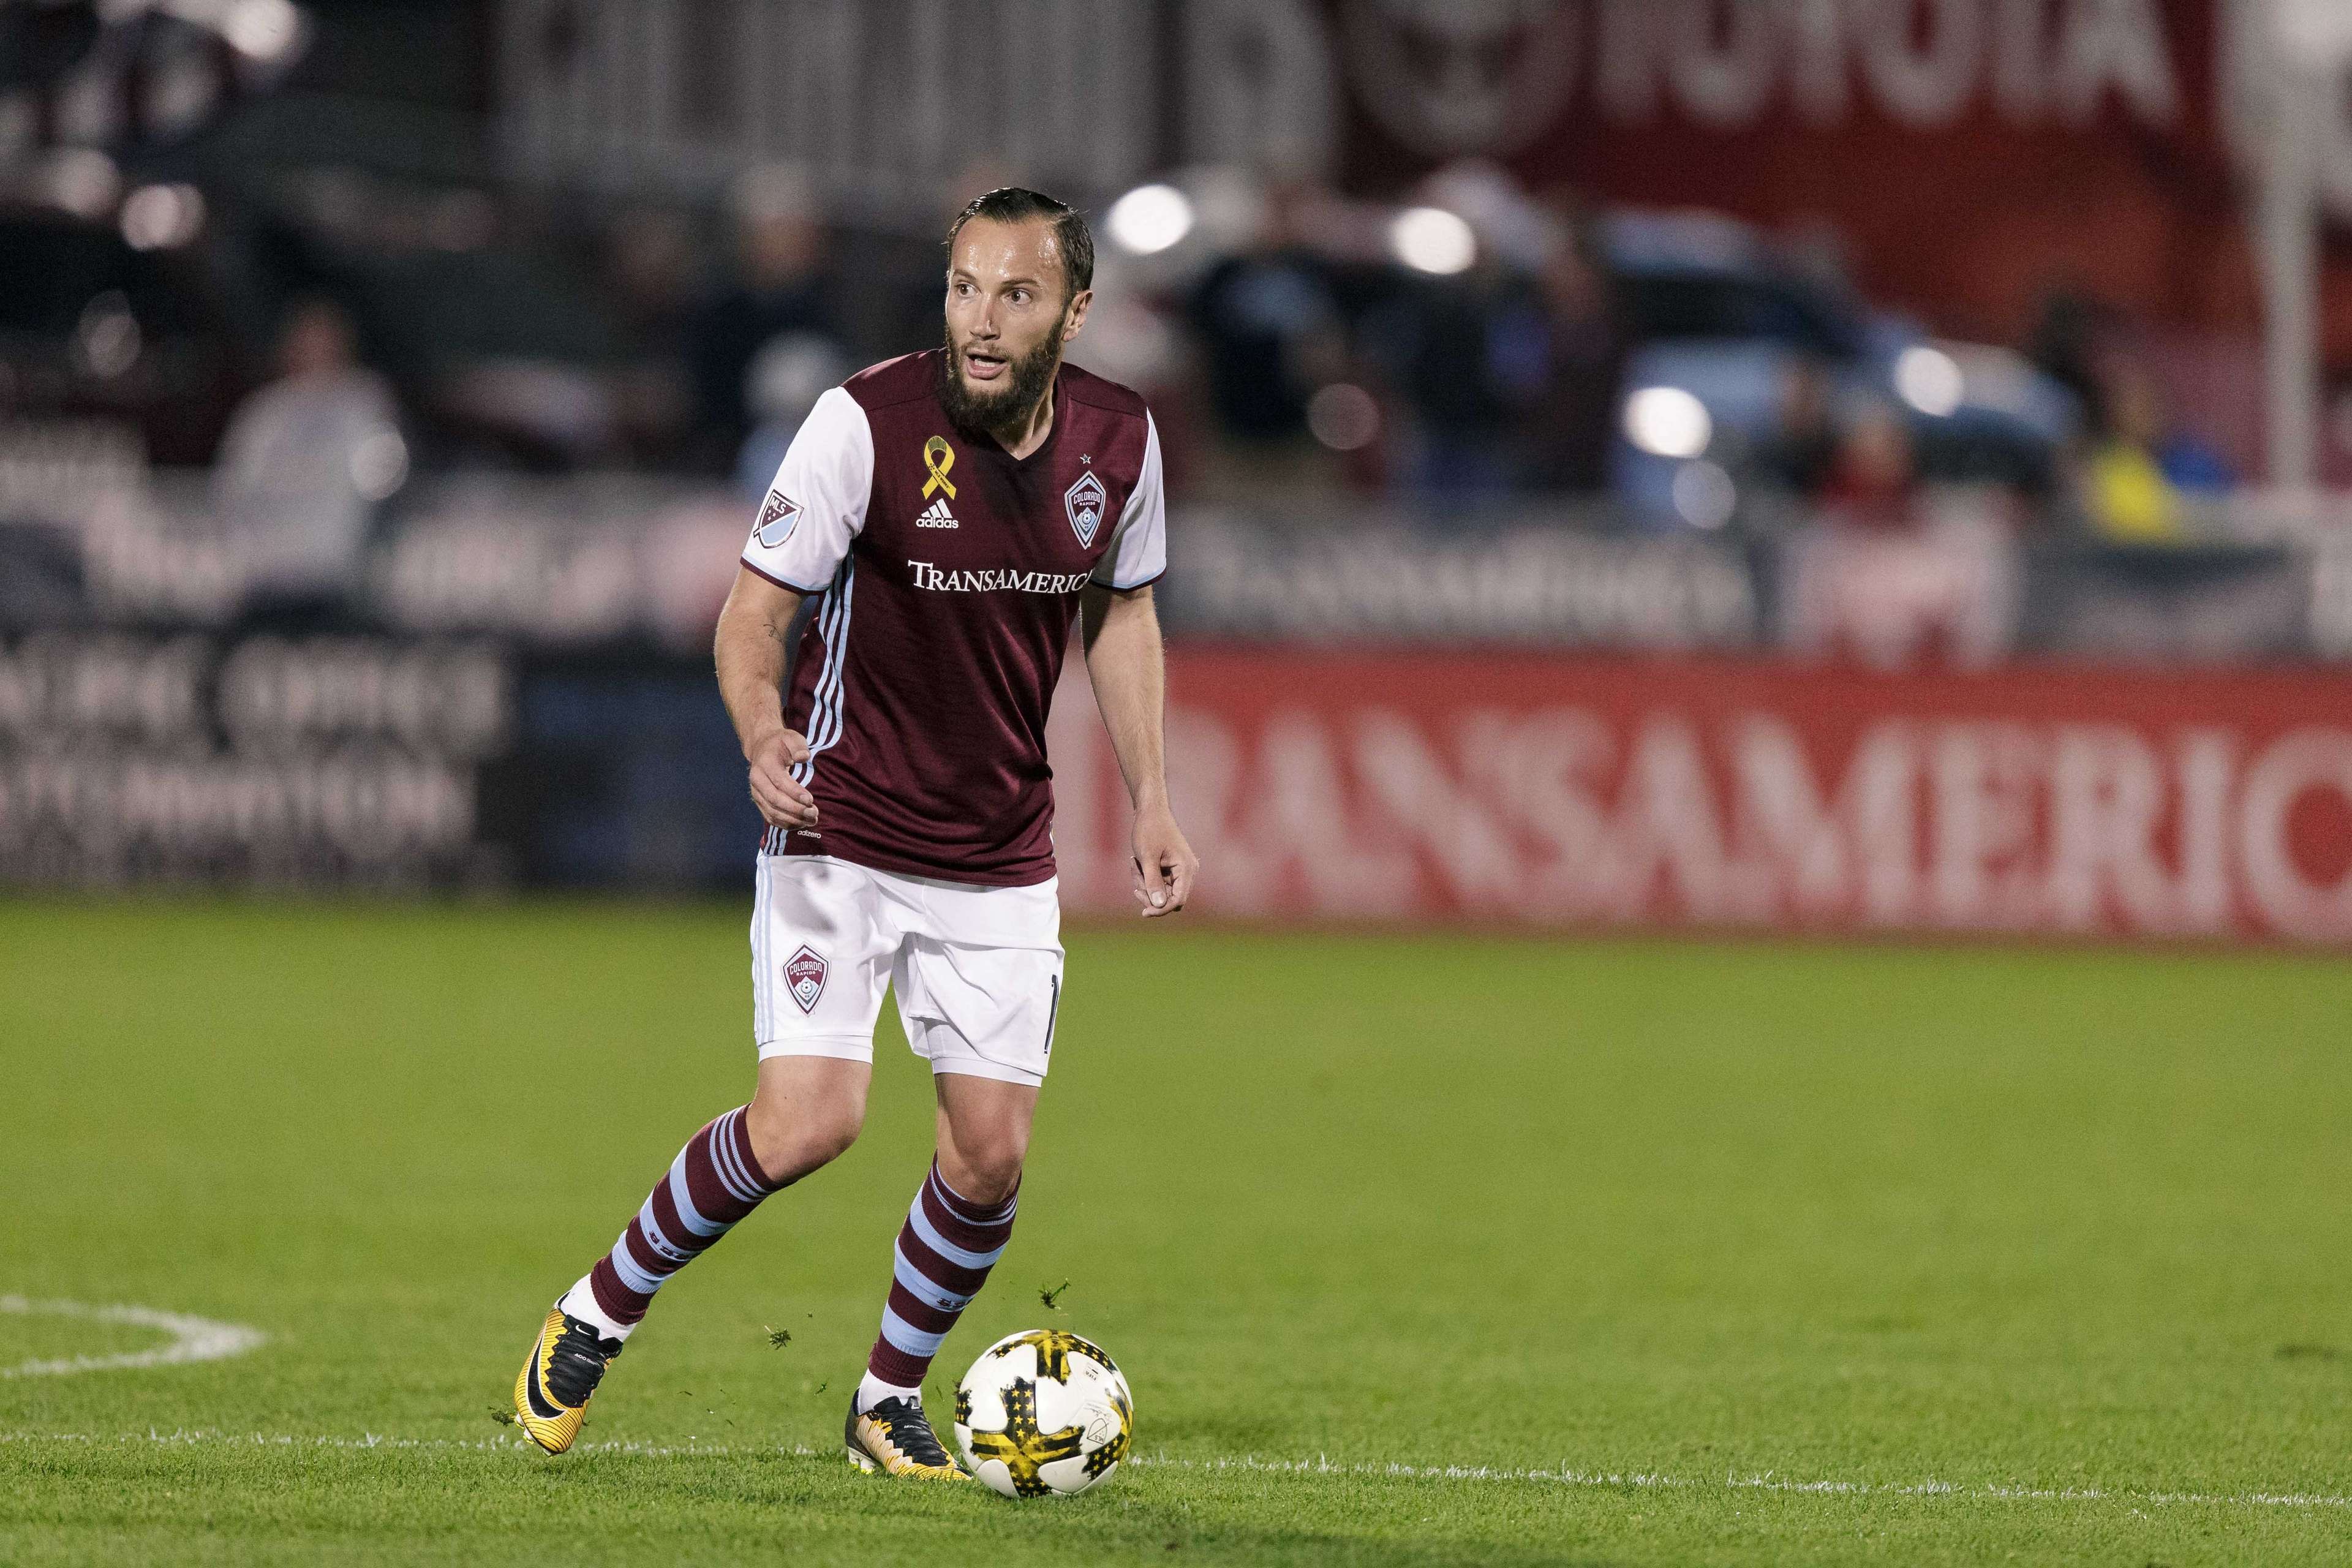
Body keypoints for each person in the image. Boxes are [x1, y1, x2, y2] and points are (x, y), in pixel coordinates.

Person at [511, 189, 1199, 1480]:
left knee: (989, 1156)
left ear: (1077, 311)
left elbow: (1120, 614)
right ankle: (596, 1312)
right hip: (841, 821)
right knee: (808, 1121)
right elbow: (753, 609)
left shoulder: (1123, 437)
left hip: (998, 845)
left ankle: (885, 1397)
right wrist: (763, 732)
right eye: (962, 289)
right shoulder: (866, 422)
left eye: (1016, 295)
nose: (981, 324)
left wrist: (1152, 792)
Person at [213, 298, 402, 619]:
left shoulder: (367, 405)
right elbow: (232, 490)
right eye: (307, 342)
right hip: (266, 582)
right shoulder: (264, 412)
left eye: (325, 342)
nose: (316, 352)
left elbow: (383, 483)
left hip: (334, 583)